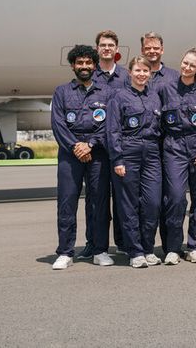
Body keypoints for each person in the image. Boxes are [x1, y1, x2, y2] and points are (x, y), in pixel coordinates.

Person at [51, 45, 114, 270]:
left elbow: (110, 124)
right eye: (80, 63)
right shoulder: (61, 92)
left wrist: (90, 144)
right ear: (73, 66)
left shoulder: (106, 92)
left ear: (95, 65)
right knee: (67, 203)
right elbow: (58, 124)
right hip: (70, 155)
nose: (84, 67)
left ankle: (100, 250)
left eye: (88, 63)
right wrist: (76, 146)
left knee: (99, 203)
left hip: (97, 154)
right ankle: (66, 252)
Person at [159, 49, 196, 265]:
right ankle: (173, 248)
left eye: (192, 65)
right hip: (174, 147)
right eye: (185, 63)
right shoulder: (166, 88)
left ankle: (194, 246)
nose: (187, 67)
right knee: (175, 198)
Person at [106, 56, 163, 268]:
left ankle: (148, 248)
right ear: (130, 72)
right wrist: (117, 158)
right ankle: (135, 251)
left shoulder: (155, 97)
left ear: (150, 74)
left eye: (145, 71)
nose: (141, 74)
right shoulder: (118, 97)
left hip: (151, 153)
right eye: (137, 70)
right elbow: (112, 130)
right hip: (128, 152)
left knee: (152, 203)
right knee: (128, 204)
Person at [91, 29, 128, 257]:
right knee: (98, 201)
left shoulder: (125, 77)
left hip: (122, 148)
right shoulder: (89, 76)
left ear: (116, 50)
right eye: (103, 45)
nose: (106, 48)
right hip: (97, 150)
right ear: (98, 49)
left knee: (124, 199)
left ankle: (123, 243)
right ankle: (95, 244)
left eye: (110, 45)